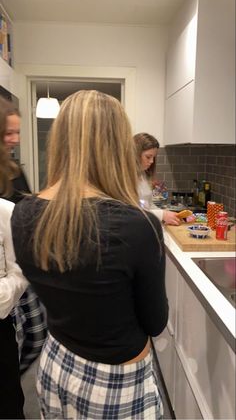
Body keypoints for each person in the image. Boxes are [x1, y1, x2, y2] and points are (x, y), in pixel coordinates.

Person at [12, 90, 168, 419]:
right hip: (116, 380)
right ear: (117, 146)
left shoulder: (24, 212)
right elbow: (155, 322)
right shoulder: (138, 226)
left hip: (56, 361)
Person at [0, 96, 47, 418]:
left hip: (14, 267)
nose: (16, 140)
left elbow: (23, 201)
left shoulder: (12, 167)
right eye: (8, 134)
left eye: (17, 133)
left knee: (35, 330)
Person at [134, 132, 180, 225]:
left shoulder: (143, 175)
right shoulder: (123, 178)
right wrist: (162, 215)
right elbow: (131, 211)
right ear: (135, 154)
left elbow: (149, 205)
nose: (151, 161)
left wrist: (168, 215)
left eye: (153, 157)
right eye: (148, 157)